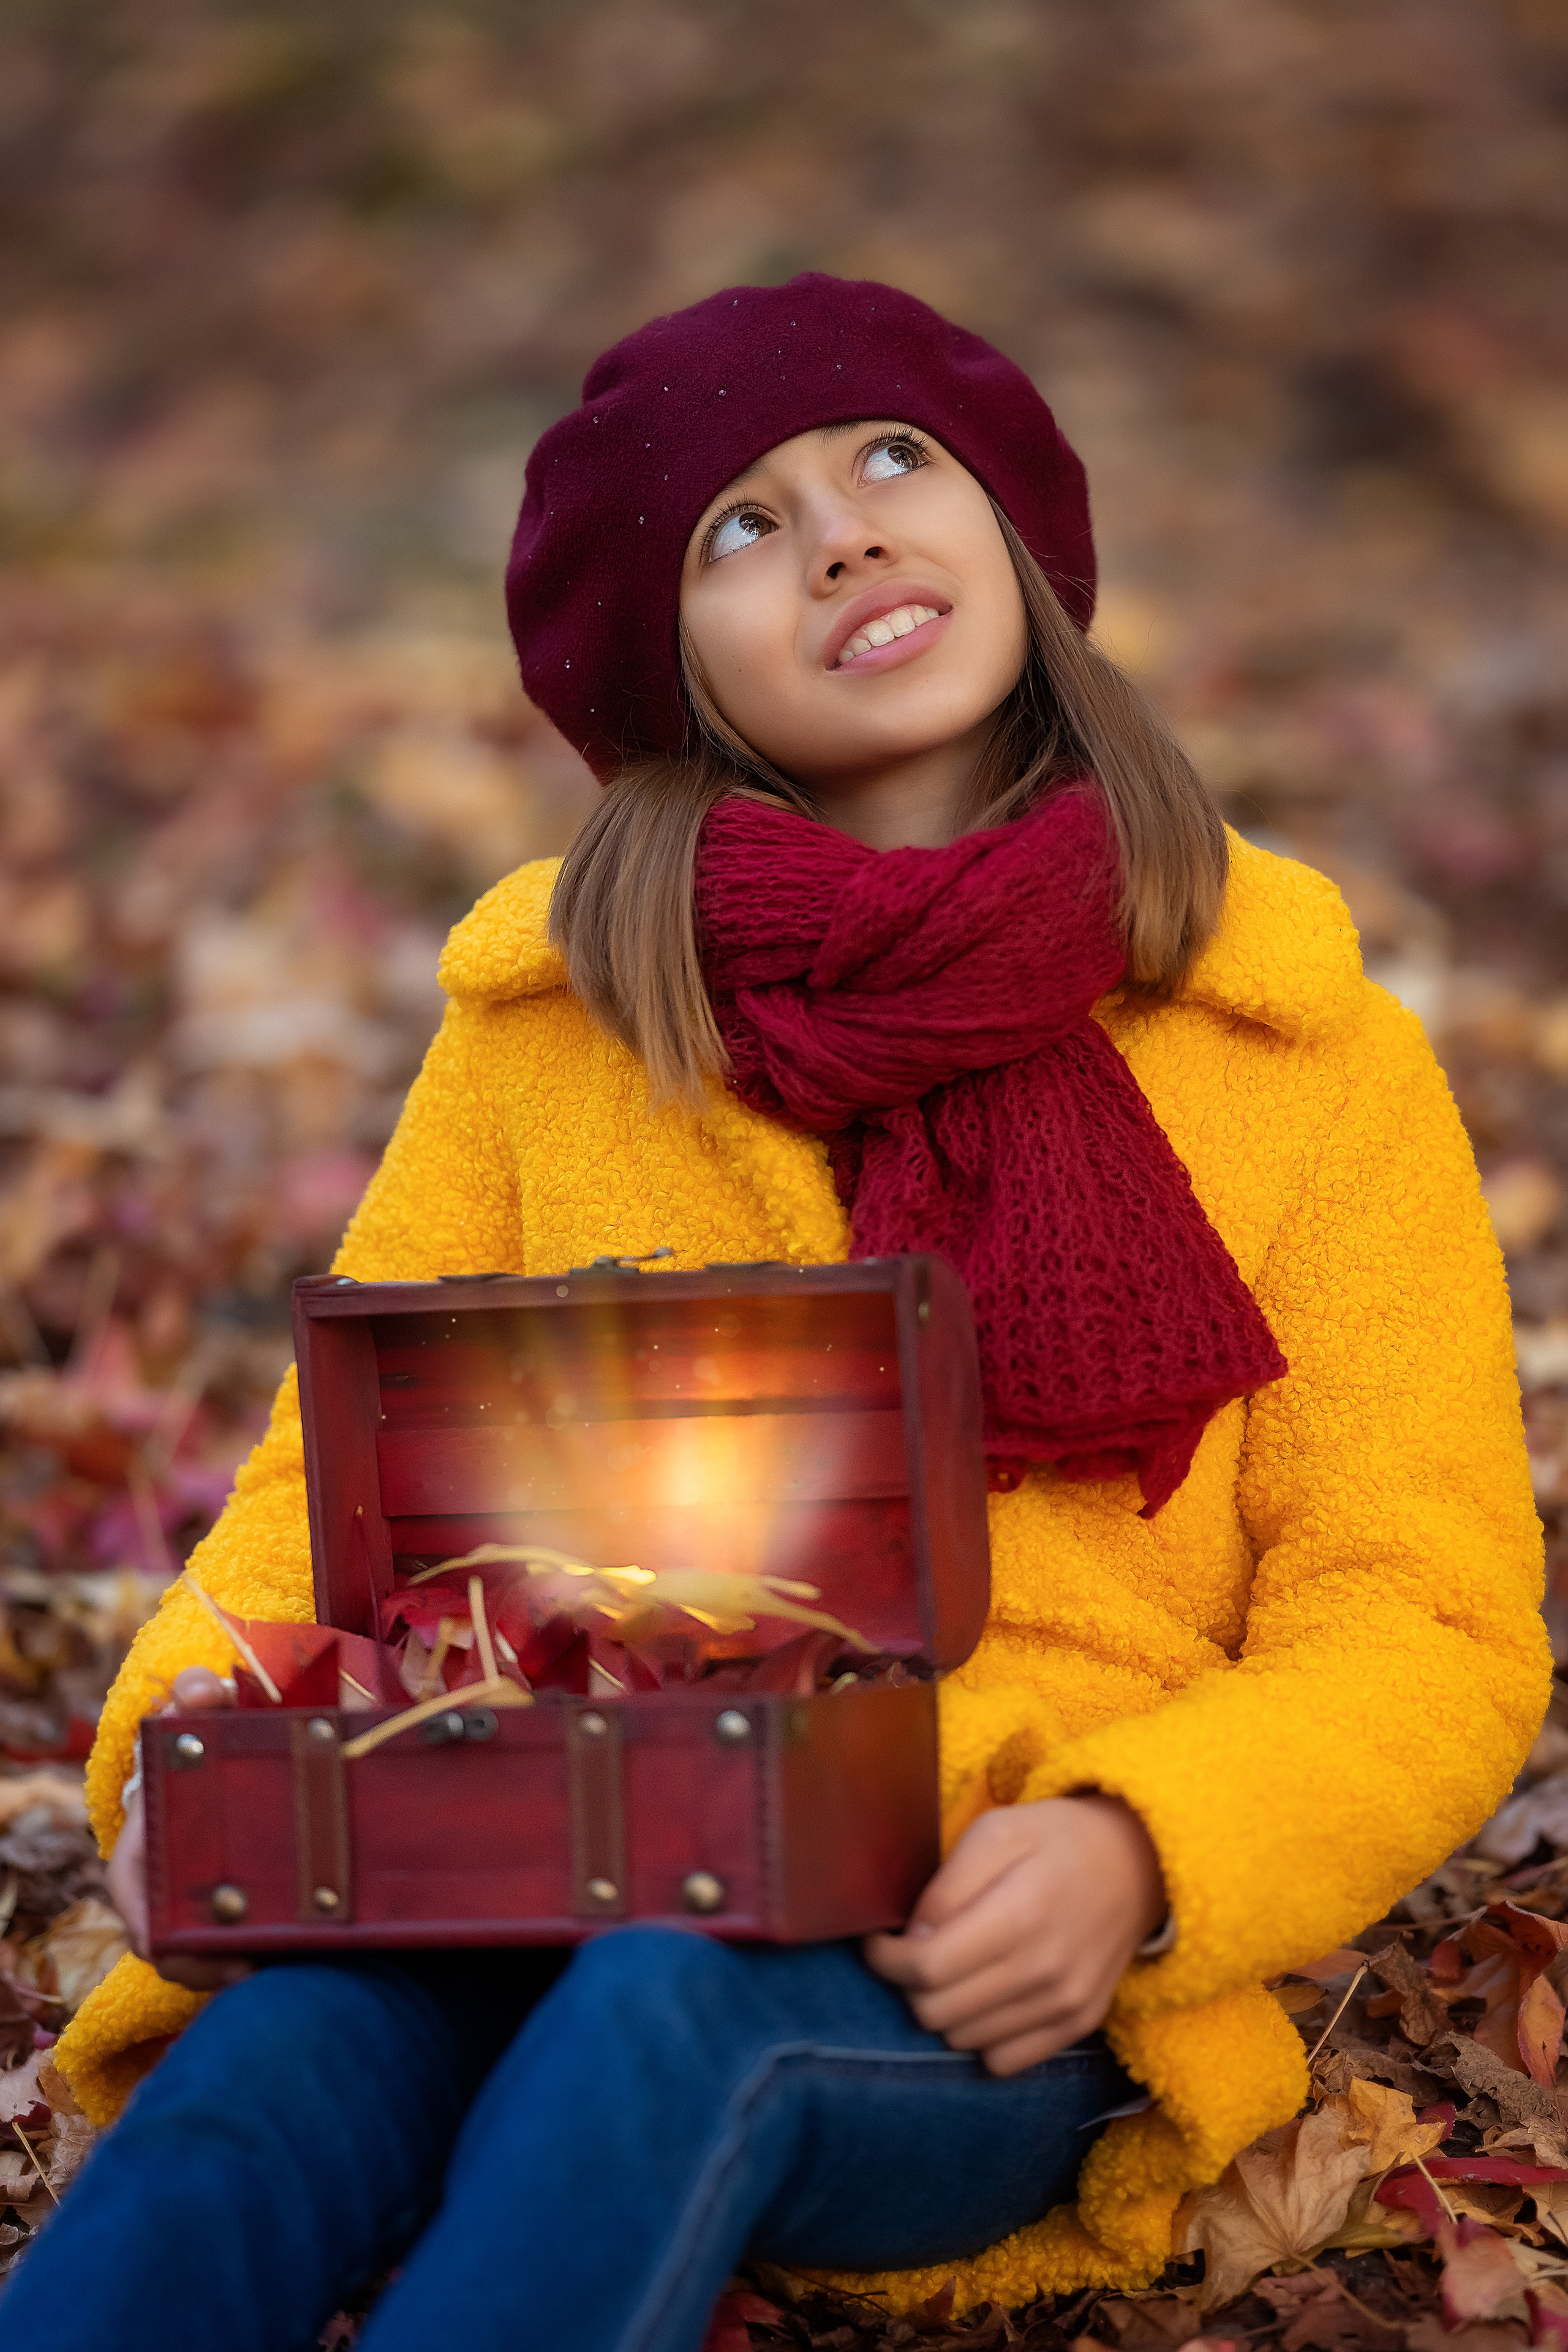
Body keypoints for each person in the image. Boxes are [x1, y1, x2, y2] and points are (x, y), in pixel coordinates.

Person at [4, 276, 1546, 2351]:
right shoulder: (557, 1045)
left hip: (966, 1935)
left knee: (673, 2005)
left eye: (891, 460)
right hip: (529, 1835)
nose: (843, 534)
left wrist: (1142, 1851)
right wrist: (185, 1731)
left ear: (1008, 528)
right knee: (260, 2082)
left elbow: (1422, 1613)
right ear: (674, 671)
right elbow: (334, 1490)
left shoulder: (1298, 1054)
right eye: (744, 524)